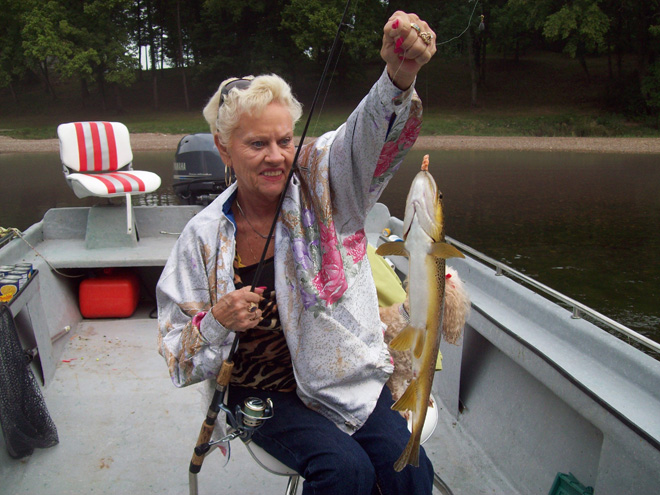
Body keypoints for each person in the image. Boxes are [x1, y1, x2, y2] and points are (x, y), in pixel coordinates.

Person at [157, 11, 437, 495]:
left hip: (344, 375)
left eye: (285, 140)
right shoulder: (201, 239)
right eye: (256, 143)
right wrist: (218, 319)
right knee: (343, 472)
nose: (276, 155)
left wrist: (398, 76)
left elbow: (364, 140)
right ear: (224, 150)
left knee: (408, 469)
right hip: (263, 393)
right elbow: (178, 357)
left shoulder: (326, 183)